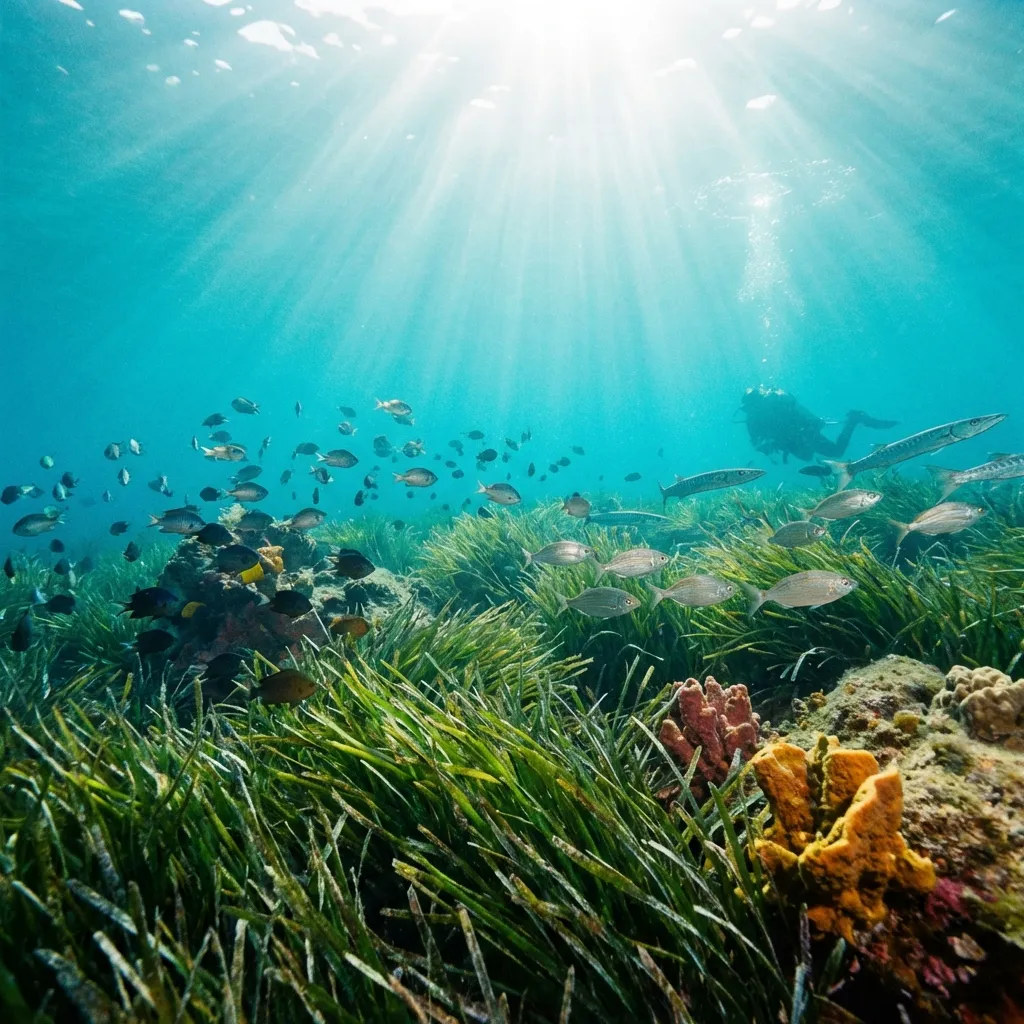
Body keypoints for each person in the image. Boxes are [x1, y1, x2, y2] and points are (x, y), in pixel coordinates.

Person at [740, 385, 896, 464]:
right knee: (807, 458)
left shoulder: (778, 404)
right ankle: (853, 420)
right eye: (749, 407)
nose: (752, 409)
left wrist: (814, 423)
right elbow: (756, 443)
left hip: (804, 432)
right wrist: (769, 446)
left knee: (836, 452)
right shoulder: (752, 420)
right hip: (788, 442)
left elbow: (800, 411)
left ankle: (853, 420)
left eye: (754, 405)